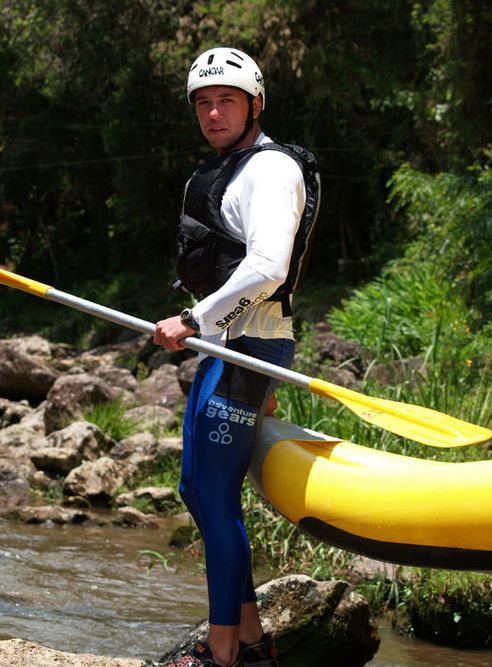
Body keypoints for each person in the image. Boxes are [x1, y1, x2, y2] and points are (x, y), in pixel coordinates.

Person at [146, 46, 320, 667]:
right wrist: (205, 328)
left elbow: (268, 267)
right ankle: (248, 641)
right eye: (203, 104)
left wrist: (195, 318)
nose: (214, 113)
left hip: (250, 348)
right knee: (198, 489)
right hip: (224, 344)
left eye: (226, 101)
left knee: (214, 496)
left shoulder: (271, 171)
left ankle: (223, 654)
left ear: (255, 105)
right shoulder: (233, 169)